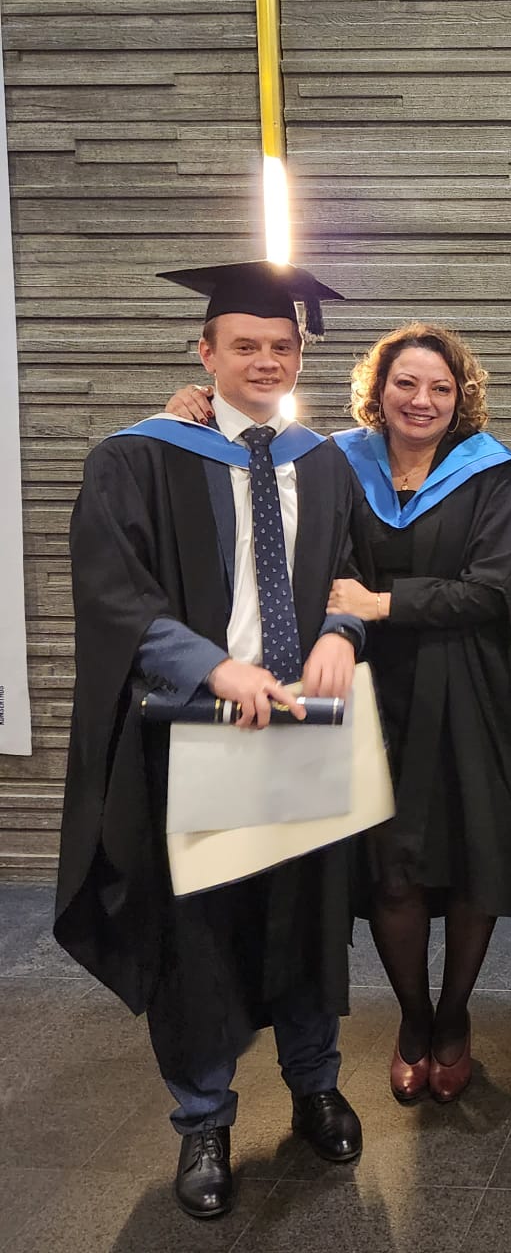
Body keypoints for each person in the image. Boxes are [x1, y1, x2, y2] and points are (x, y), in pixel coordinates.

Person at [54, 261, 365, 1221]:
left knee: (309, 917)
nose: (265, 360)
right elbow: (114, 594)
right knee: (201, 936)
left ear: (301, 353)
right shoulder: (139, 457)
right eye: (245, 345)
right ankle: (204, 1117)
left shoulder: (320, 461)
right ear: (206, 352)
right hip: (197, 730)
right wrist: (207, 665)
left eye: (281, 345)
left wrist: (337, 635)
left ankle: (315, 1082)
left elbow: (347, 573)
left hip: (303, 730)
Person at [167, 322, 511, 1107]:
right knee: (391, 869)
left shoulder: (492, 473)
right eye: (406, 383)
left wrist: (384, 601)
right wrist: (189, 408)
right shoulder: (334, 463)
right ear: (378, 389)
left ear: (460, 396)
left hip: (470, 689)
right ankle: (412, 1020)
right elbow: (291, 529)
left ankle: (454, 1018)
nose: (423, 400)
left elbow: (497, 586)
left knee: (474, 863)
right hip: (365, 689)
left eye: (441, 387)